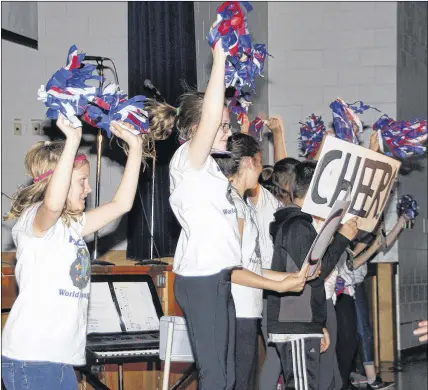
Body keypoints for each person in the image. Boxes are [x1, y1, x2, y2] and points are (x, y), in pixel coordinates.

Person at [149, 41, 307, 390]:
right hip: (201, 281)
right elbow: (210, 116)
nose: (226, 131)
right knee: (216, 377)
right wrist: (219, 59)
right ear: (195, 130)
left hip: (218, 278)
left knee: (231, 376)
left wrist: (282, 281)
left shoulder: (210, 171)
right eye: (221, 125)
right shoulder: (187, 161)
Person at [1, 115, 143, 389]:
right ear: (60, 182)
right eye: (82, 181)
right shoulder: (33, 222)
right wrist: (73, 142)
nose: (88, 189)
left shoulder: (72, 226)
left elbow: (121, 205)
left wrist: (135, 149)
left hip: (60, 358)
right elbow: (52, 206)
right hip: (32, 357)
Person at [214, 132, 308, 390]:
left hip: (247, 309)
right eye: (259, 161)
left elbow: (251, 263)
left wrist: (286, 277)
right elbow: (230, 269)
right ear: (248, 163)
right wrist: (278, 285)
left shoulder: (241, 204)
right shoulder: (231, 204)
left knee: (243, 380)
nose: (263, 170)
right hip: (237, 309)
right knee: (237, 382)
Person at [268, 160, 359, 390]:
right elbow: (314, 275)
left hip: (303, 321)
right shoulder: (297, 226)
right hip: (295, 324)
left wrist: (318, 325)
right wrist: (342, 238)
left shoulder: (301, 224)